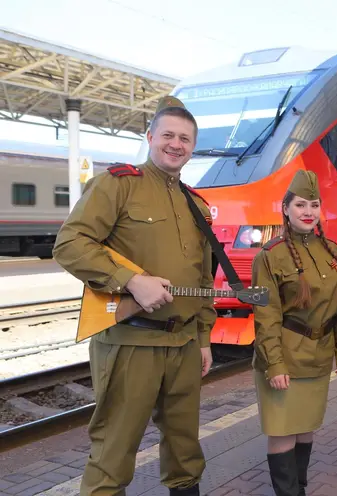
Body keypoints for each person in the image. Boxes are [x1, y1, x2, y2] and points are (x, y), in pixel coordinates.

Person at [52, 96, 214, 495]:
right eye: (168, 135)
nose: (176, 144)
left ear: (193, 147)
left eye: (185, 139)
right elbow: (70, 243)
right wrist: (129, 280)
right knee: (114, 451)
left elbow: (203, 278)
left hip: (184, 342)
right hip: (131, 341)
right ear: (150, 137)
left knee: (184, 450)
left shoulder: (197, 206)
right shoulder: (117, 184)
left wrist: (204, 337)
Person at [250, 169, 337, 496]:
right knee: (283, 430)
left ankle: (301, 488)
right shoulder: (269, 256)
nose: (308, 212)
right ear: (286, 209)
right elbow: (266, 315)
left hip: (319, 356)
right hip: (285, 355)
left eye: (314, 205)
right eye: (300, 205)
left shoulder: (333, 252)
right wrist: (275, 364)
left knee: (306, 427)